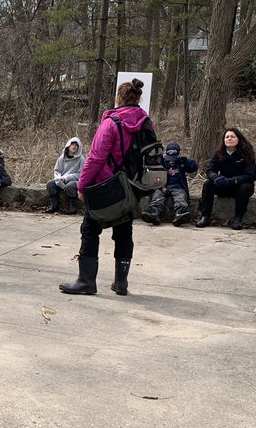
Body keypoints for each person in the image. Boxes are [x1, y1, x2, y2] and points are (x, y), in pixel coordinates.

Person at [60, 77, 151, 297]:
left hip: (107, 185)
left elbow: (95, 158)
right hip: (132, 186)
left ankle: (86, 281)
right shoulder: (147, 122)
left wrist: (82, 184)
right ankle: (121, 283)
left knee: (90, 229)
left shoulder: (112, 122)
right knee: (124, 230)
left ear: (118, 98)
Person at [196, 127, 256, 230]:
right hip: (223, 185)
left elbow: (251, 175)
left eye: (232, 137)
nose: (229, 139)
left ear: (239, 139)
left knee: (246, 187)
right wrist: (215, 178)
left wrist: (232, 181)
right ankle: (205, 216)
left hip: (239, 186)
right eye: (227, 137)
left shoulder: (247, 154)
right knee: (208, 184)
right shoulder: (219, 153)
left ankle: (238, 218)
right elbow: (210, 169)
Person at [140, 142, 198, 227]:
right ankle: (154, 212)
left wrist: (185, 160)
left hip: (178, 187)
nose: (171, 160)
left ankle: (180, 213)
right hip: (163, 186)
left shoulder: (181, 163)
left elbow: (193, 167)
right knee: (157, 196)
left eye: (174, 158)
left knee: (180, 197)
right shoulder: (163, 162)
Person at [45, 138, 84, 214]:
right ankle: (54, 206)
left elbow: (81, 174)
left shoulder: (81, 159)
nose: (74, 146)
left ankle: (73, 207)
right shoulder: (61, 158)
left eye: (76, 145)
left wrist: (67, 178)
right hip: (62, 180)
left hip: (75, 181)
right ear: (68, 145)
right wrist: (58, 178)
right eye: (72, 144)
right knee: (50, 184)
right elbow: (57, 171)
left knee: (70, 186)